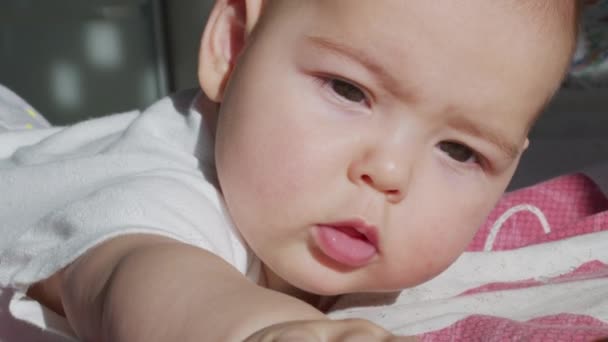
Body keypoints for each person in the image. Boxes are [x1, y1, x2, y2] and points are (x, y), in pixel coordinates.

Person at [0, 0, 581, 340]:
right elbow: (134, 275)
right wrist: (258, 329)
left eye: (460, 151)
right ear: (232, 46)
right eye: (349, 90)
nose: (390, 171)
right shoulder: (158, 190)